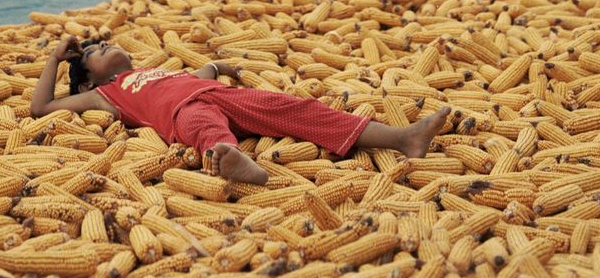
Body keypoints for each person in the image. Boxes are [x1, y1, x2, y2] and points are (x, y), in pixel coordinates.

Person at [30, 34, 451, 184]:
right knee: (204, 127)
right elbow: (41, 106)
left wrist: (215, 66)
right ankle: (232, 160)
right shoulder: (108, 93)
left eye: (105, 42)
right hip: (182, 115)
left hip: (212, 93)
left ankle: (403, 137)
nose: (107, 45)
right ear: (89, 81)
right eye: (97, 52)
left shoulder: (152, 71)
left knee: (296, 108)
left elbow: (194, 78)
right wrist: (54, 59)